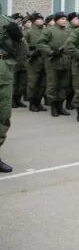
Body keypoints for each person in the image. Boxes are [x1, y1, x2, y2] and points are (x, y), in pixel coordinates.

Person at [1, 12, 27, 173]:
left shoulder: (7, 22)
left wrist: (18, 38)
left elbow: (23, 53)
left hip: (4, 71)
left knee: (3, 116)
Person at [38, 12, 72, 117]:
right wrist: (51, 52)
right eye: (62, 18)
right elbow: (40, 43)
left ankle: (60, 106)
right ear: (56, 20)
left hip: (65, 62)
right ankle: (53, 107)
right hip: (53, 62)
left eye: (65, 19)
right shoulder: (49, 30)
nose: (64, 20)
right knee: (52, 85)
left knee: (63, 85)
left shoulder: (68, 32)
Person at [24, 12, 47, 112]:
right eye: (39, 19)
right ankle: (32, 104)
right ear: (34, 21)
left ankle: (38, 102)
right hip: (33, 60)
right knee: (33, 83)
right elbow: (23, 46)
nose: (41, 20)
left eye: (42, 18)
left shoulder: (46, 31)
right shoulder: (28, 32)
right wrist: (30, 53)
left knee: (42, 83)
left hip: (45, 59)